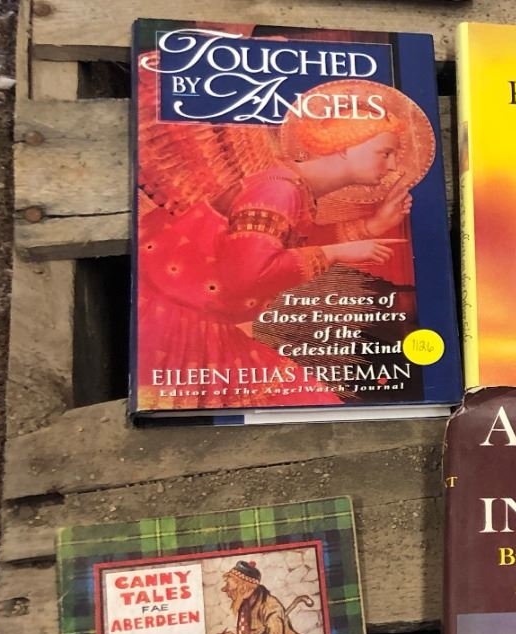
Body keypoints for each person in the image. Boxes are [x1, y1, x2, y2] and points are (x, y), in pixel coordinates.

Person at [135, 73, 428, 411]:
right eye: (385, 153)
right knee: (304, 400)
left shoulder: (293, 187)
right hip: (176, 323)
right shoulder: (280, 190)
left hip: (195, 319)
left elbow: (279, 244)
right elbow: (248, 273)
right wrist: (335, 252)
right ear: (347, 146)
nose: (392, 166)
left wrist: (371, 225)